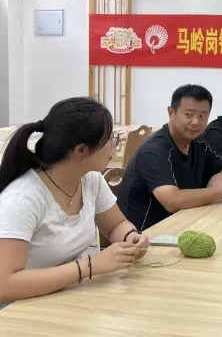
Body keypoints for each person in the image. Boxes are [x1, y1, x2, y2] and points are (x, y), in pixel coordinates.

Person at [0, 98, 151, 303]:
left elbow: (116, 225)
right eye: (110, 140)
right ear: (81, 151)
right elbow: (5, 285)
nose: (114, 148)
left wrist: (131, 237)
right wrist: (89, 267)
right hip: (18, 308)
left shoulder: (90, 178)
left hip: (65, 297)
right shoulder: (22, 199)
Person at [118, 85, 222, 231]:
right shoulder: (153, 150)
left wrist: (218, 179)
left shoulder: (198, 143)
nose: (196, 122)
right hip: (147, 234)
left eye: (203, 116)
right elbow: (172, 201)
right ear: (171, 112)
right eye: (188, 115)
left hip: (184, 222)